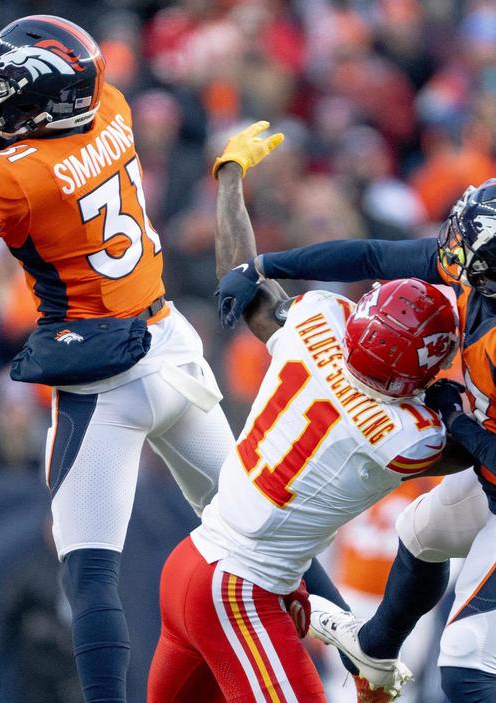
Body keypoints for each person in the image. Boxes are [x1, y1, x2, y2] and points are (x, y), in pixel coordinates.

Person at [0, 16, 309, 702]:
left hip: (105, 376)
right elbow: (18, 151)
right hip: (171, 345)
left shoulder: (18, 177)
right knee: (257, 512)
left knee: (89, 573)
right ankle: (349, 635)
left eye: (8, 89)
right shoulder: (113, 109)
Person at [217, 170, 496, 701]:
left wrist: (456, 420)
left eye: (473, 246)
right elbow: (374, 258)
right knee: (420, 534)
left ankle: (383, 652)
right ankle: (375, 650)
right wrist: (266, 265)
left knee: (468, 669)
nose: (453, 249)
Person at [147, 122, 465, 703]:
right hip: (240, 593)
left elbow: (239, 277)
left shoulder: (317, 322)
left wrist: (230, 179)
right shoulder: (401, 434)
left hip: (191, 565)